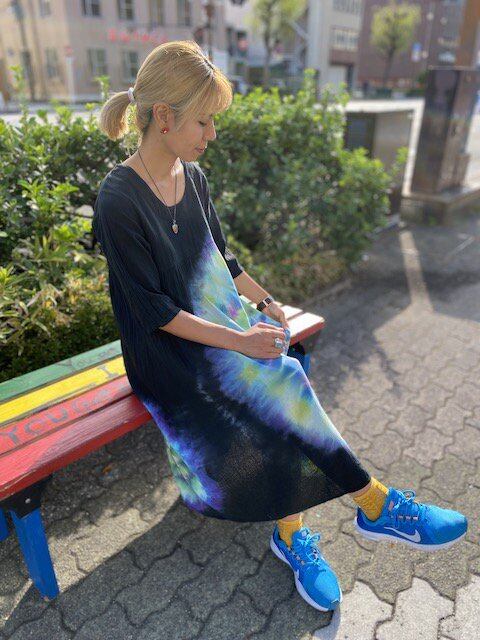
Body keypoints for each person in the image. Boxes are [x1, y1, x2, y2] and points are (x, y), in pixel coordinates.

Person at [92, 40, 468, 613]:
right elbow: (153, 311)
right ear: (163, 116)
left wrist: (266, 302)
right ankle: (370, 506)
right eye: (203, 120)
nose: (212, 133)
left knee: (280, 375)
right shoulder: (118, 198)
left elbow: (222, 257)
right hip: (164, 353)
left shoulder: (192, 177)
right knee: (277, 381)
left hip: (213, 325)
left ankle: (301, 529)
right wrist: (242, 340)